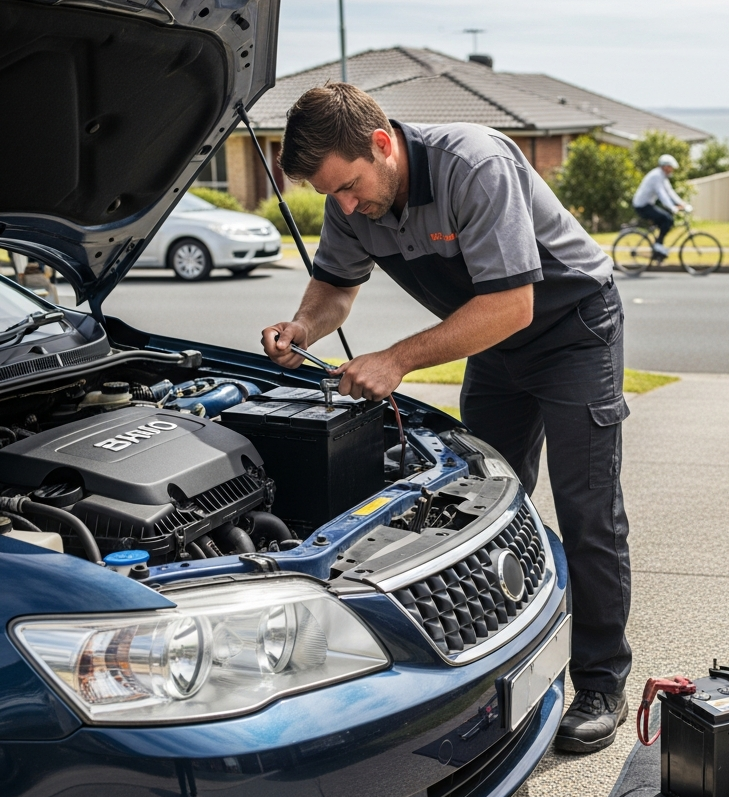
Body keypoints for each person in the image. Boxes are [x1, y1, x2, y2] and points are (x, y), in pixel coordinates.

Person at [260, 83, 632, 754]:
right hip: (492, 341)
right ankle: (504, 661)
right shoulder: (351, 198)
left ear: (382, 144)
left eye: (348, 187)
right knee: (484, 506)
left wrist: (397, 359)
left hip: (571, 329)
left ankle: (601, 681)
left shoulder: (474, 164)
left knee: (588, 510)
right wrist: (304, 326)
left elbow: (513, 305)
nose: (345, 207)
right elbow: (336, 287)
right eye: (329, 195)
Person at [632, 154, 689, 259]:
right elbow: (662, 194)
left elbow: (670, 191)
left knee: (666, 220)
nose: (672, 170)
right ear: (665, 167)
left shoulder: (662, 176)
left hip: (647, 204)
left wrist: (682, 203)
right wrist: (672, 207)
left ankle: (658, 248)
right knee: (667, 219)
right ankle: (658, 246)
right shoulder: (656, 176)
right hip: (642, 206)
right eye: (671, 167)